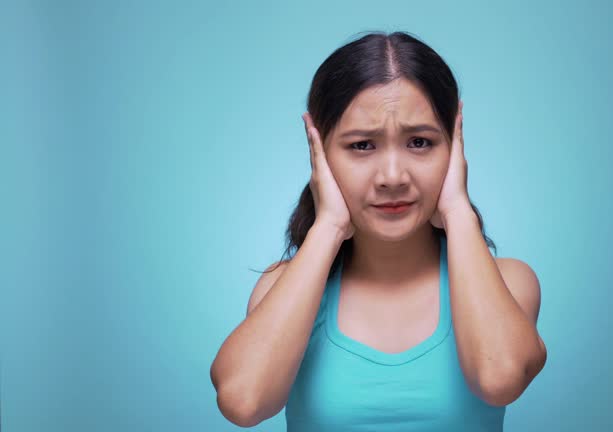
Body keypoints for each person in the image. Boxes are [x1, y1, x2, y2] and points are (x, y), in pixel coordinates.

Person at [210, 31, 547, 431]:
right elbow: (243, 403)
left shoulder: (510, 283)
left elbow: (499, 379)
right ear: (319, 153)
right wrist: (329, 225)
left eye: (420, 142)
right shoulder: (282, 289)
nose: (392, 177)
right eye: (362, 146)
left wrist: (457, 210)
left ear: (455, 147)